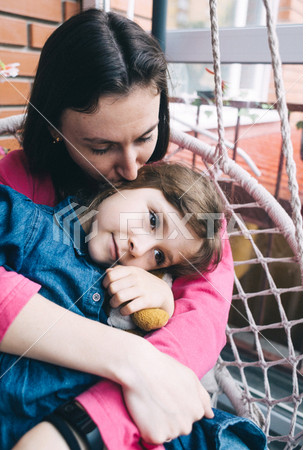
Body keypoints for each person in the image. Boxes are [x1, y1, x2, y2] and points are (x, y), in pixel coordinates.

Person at [0, 8, 234, 450]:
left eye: (146, 136)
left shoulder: (182, 204)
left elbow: (200, 322)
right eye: (101, 146)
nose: (131, 168)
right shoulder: (15, 186)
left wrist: (84, 426)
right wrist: (129, 357)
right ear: (53, 127)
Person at [0, 161, 223, 449]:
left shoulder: (133, 294)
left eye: (158, 256)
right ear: (128, 184)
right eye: (153, 220)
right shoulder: (28, 225)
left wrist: (165, 299)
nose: (139, 248)